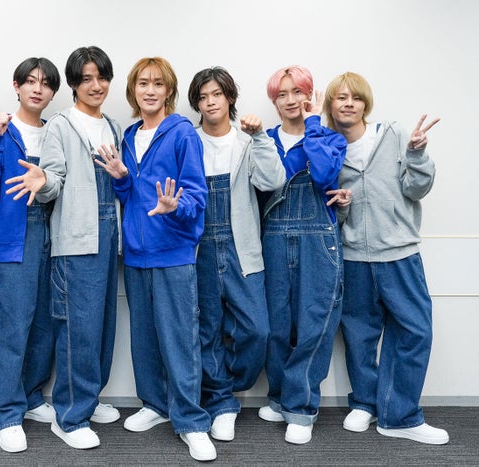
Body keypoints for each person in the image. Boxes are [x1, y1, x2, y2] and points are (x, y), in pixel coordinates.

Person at [94, 57, 215, 462]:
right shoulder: (128, 136)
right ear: (133, 90)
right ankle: (155, 404)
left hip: (173, 253)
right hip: (136, 254)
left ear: (169, 91)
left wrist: (174, 207)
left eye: (158, 84)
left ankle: (192, 421)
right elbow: (131, 197)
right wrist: (122, 179)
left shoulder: (182, 134)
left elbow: (196, 194)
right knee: (144, 337)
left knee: (180, 339)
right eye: (143, 83)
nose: (150, 90)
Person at [6, 46, 121, 450]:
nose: (95, 85)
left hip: (109, 236)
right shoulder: (61, 125)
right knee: (78, 330)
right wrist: (43, 182)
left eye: (101, 77)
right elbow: (53, 178)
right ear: (73, 84)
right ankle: (69, 416)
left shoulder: (113, 126)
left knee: (102, 326)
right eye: (86, 78)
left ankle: (88, 397)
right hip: (76, 239)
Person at [324, 71, 448, 445]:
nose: (349, 103)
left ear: (366, 104)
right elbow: (330, 214)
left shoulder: (393, 135)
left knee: (415, 330)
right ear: (330, 105)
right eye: (341, 97)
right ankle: (365, 403)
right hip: (353, 258)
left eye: (356, 97)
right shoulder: (328, 149)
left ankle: (399, 415)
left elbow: (416, 189)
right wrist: (343, 207)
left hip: (399, 253)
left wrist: (417, 154)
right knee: (359, 335)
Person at [0, 57, 61, 453]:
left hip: (51, 234)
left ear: (53, 93)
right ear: (17, 86)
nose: (38, 89)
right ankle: (5, 412)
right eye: (30, 81)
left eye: (46, 84)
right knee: (11, 327)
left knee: (43, 324)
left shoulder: (55, 131)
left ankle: (31, 395)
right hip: (10, 237)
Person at [186, 67, 286, 442]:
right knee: (206, 330)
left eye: (217, 94)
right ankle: (222, 403)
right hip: (199, 248)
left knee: (257, 330)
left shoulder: (247, 141)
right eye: (203, 97)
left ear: (230, 97)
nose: (210, 102)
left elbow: (272, 181)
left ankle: (226, 384)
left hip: (243, 247)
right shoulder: (188, 140)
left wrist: (260, 137)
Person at [257, 65, 347, 445]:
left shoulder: (329, 138)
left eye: (297, 92)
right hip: (273, 239)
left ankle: (301, 408)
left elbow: (324, 175)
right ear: (274, 101)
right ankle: (280, 397)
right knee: (276, 325)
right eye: (282, 94)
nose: (290, 100)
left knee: (314, 324)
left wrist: (312, 125)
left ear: (310, 96)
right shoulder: (263, 140)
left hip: (318, 240)